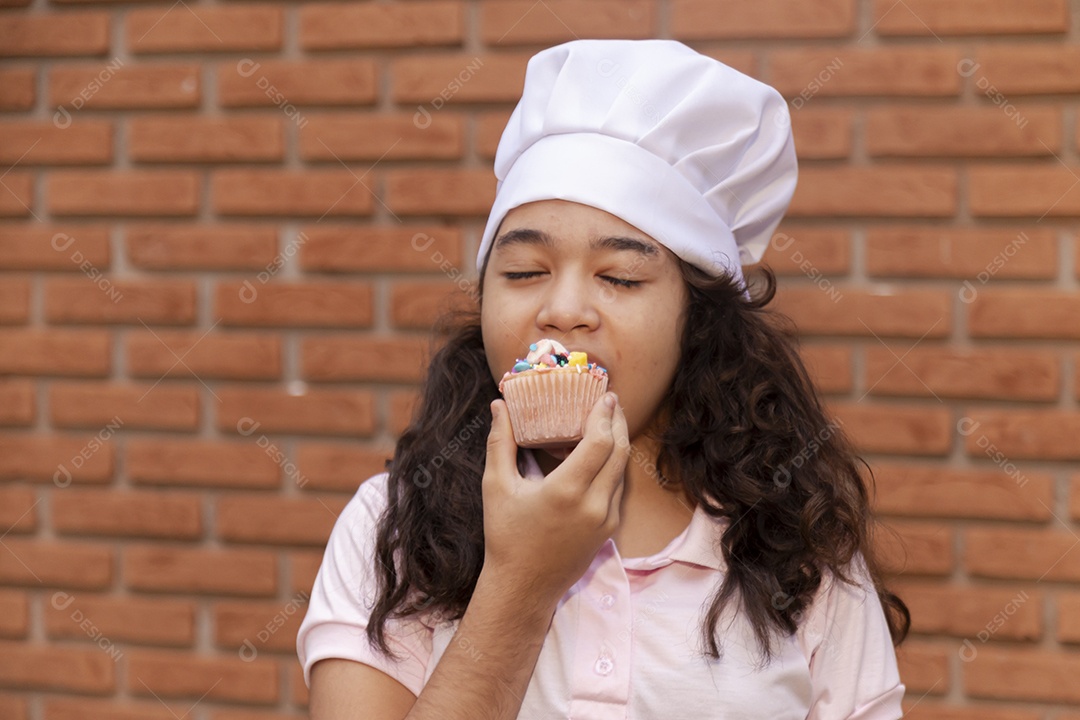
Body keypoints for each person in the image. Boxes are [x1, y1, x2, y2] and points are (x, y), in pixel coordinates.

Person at [297, 39, 910, 720]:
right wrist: (522, 583)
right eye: (524, 271)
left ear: (697, 321)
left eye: (619, 277)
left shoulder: (798, 543)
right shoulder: (391, 529)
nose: (561, 310)